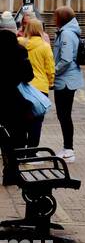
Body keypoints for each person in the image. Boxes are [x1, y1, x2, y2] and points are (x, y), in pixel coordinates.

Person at [0, 26, 34, 184]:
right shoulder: (19, 50)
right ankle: (11, 173)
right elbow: (29, 75)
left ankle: (9, 170)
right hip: (14, 101)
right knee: (16, 137)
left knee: (3, 138)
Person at [52, 6, 85, 162]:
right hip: (68, 80)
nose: (54, 19)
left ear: (62, 18)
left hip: (65, 81)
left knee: (64, 115)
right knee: (64, 115)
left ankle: (69, 150)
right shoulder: (69, 32)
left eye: (56, 16)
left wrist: (52, 72)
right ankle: (67, 148)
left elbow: (65, 59)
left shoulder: (65, 34)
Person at [18, 14, 54, 149]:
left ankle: (20, 150)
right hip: (40, 88)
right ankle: (32, 152)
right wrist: (51, 83)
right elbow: (50, 68)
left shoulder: (20, 42)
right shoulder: (45, 47)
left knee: (21, 120)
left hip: (22, 87)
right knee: (37, 120)